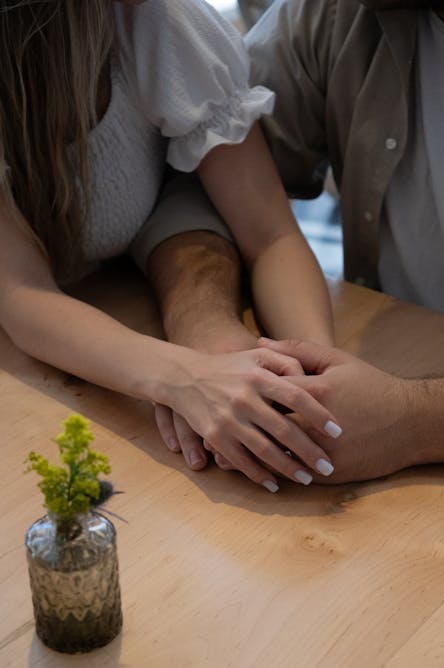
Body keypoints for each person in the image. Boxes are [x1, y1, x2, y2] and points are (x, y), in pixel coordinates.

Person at [0, 0, 346, 494]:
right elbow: (21, 295)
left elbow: (270, 234)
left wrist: (320, 382)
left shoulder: (161, 22)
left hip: (143, 250)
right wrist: (185, 379)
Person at [160, 0, 444, 482]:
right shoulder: (333, 13)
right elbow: (199, 179)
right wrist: (205, 328)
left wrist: (413, 421)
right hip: (387, 379)